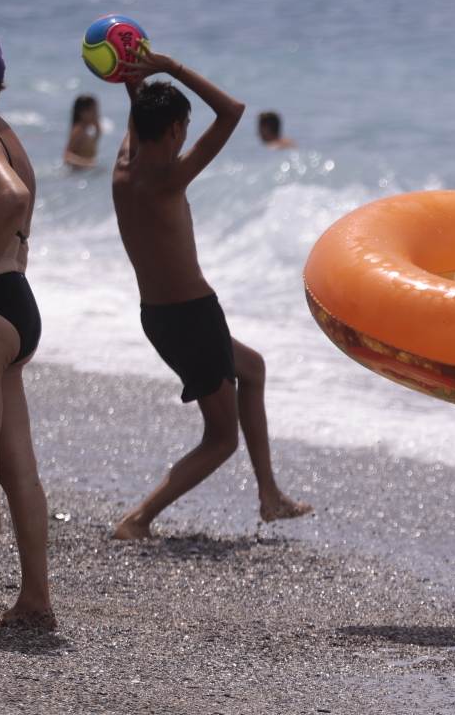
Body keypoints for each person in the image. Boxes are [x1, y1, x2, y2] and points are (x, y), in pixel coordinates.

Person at [110, 48, 311, 540]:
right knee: (221, 441)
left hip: (162, 315)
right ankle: (138, 520)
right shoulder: (169, 178)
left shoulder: (124, 168)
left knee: (253, 369)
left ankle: (270, 496)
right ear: (177, 130)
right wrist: (168, 67)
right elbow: (233, 111)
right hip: (191, 318)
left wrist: (133, 80)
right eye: (183, 127)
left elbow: (143, 121)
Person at [0, 29, 54, 630]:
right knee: (16, 467)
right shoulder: (8, 135)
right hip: (16, 306)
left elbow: (11, 198)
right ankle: (35, 600)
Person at [63, 94, 101, 170]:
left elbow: (98, 135)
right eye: (93, 111)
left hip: (84, 171)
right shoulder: (78, 130)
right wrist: (87, 163)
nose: (96, 114)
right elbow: (67, 156)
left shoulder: (88, 130)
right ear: (82, 113)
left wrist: (97, 125)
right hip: (76, 174)